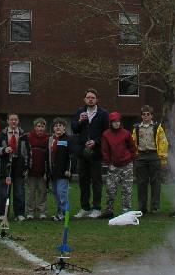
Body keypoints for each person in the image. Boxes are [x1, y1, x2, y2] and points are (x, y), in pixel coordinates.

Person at [72, 89, 109, 218]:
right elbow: (74, 129)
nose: (90, 100)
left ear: (97, 100)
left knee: (97, 181)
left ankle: (97, 208)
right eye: (88, 97)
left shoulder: (103, 113)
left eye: (93, 98)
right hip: (82, 152)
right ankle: (85, 208)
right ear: (85, 99)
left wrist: (96, 141)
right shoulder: (79, 112)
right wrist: (79, 121)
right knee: (83, 181)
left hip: (96, 152)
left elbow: (106, 133)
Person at [132, 105, 169, 214]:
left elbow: (163, 142)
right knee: (141, 183)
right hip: (141, 156)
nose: (146, 116)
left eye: (148, 114)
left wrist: (162, 158)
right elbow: (133, 142)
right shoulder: (137, 128)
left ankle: (155, 207)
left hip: (154, 155)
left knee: (155, 182)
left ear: (152, 116)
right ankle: (142, 207)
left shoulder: (157, 127)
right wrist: (134, 156)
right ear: (141, 116)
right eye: (144, 114)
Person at [101, 111, 137, 218]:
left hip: (127, 165)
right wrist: (108, 163)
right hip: (113, 166)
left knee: (127, 189)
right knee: (110, 189)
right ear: (110, 123)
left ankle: (126, 210)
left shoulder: (126, 133)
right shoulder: (106, 134)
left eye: (118, 121)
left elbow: (132, 147)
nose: (116, 123)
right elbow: (105, 150)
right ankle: (109, 211)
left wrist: (130, 159)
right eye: (114, 121)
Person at [0, 113, 28, 220]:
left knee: (19, 192)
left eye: (15, 120)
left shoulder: (23, 135)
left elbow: (28, 152)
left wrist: (26, 166)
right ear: (8, 121)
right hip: (6, 166)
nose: (13, 121)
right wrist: (4, 149)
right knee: (5, 192)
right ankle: (3, 214)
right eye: (11, 119)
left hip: (19, 166)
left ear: (18, 121)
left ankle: (19, 214)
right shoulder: (2, 135)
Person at [48, 118, 74, 220]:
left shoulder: (68, 139)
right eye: (56, 125)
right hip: (53, 172)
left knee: (62, 194)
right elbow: (48, 156)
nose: (58, 127)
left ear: (64, 128)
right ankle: (59, 213)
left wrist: (69, 169)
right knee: (56, 194)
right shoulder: (51, 140)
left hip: (63, 172)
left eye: (60, 125)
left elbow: (71, 156)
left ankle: (64, 213)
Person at [25, 118, 50, 220]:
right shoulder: (29, 137)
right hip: (31, 171)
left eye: (42, 126)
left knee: (42, 193)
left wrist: (47, 171)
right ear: (35, 127)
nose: (40, 128)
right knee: (31, 193)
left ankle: (42, 212)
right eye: (38, 126)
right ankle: (30, 212)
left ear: (45, 128)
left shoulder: (48, 139)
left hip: (42, 171)